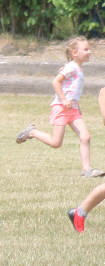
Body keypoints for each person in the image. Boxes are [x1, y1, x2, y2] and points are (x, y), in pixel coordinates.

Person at [17, 36, 103, 177]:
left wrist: (76, 105)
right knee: (56, 143)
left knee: (86, 137)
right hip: (62, 108)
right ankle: (32, 132)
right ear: (74, 53)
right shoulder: (71, 68)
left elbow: (71, 89)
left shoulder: (78, 69)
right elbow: (55, 82)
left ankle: (87, 170)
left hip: (73, 109)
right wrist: (63, 100)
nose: (89, 52)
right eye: (86, 49)